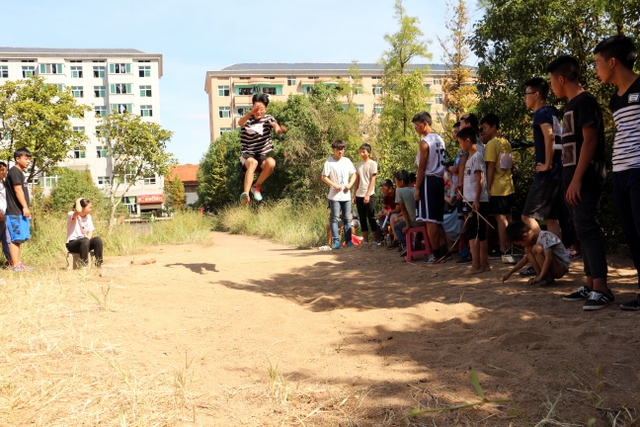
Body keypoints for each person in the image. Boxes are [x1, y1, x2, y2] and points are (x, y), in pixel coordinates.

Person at [547, 55, 612, 310]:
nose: (552, 86)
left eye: (552, 81)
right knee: (580, 229)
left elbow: (590, 140)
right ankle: (590, 283)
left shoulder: (585, 101)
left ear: (561, 79)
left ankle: (602, 288)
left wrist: (577, 179)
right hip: (571, 178)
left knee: (588, 228)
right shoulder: (571, 105)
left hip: (584, 178)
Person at [594, 35, 640, 311]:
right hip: (620, 173)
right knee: (632, 234)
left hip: (638, 171)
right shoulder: (615, 99)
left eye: (597, 63)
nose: (596, 69)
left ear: (612, 62)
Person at [521, 77, 563, 242]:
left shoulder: (541, 113)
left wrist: (547, 164)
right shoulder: (551, 112)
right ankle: (557, 255)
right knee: (551, 219)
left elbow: (550, 137)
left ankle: (544, 250)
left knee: (527, 216)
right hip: (557, 172)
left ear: (536, 95)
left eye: (527, 94)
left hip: (547, 174)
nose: (525, 98)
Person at [237, 93, 287, 205]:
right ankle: (246, 194)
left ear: (265, 109)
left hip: (260, 155)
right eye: (256, 108)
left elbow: (274, 125)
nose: (258, 111)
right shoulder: (247, 119)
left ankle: (256, 186)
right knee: (253, 163)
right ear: (252, 107)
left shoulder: (268, 118)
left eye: (261, 109)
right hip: (246, 155)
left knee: (271, 162)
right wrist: (250, 113)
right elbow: (240, 123)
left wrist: (279, 129)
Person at [412, 111, 448, 262]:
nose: (415, 128)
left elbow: (422, 168)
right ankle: (444, 250)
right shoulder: (440, 139)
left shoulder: (425, 142)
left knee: (429, 220)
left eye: (417, 125)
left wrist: (417, 188)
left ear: (425, 123)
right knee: (437, 219)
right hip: (439, 180)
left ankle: (436, 254)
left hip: (428, 180)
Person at [457, 127, 490, 275]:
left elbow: (479, 180)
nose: (460, 146)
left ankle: (476, 265)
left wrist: (476, 200)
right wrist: (462, 190)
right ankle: (484, 264)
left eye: (460, 142)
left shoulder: (476, 157)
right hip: (471, 199)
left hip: (476, 201)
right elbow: (471, 180)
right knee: (479, 232)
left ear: (468, 141)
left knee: (473, 232)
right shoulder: (471, 158)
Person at [481, 114, 515, 257]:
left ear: (494, 127)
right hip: (508, 184)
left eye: (485, 128)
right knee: (507, 216)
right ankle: (511, 245)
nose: (483, 131)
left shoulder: (491, 144)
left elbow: (491, 166)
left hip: (497, 187)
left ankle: (503, 248)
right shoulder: (505, 142)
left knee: (500, 217)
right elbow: (509, 164)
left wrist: (488, 187)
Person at [502, 221, 569, 286]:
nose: (522, 245)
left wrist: (540, 277)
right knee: (528, 249)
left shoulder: (545, 236)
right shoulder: (532, 241)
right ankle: (541, 276)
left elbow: (549, 259)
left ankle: (547, 278)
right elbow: (525, 260)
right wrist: (510, 272)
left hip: (560, 267)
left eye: (520, 244)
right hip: (553, 267)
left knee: (537, 248)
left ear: (525, 236)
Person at [321, 140, 356, 250]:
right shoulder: (329, 162)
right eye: (338, 149)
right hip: (335, 196)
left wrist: (350, 184)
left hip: (346, 195)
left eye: (342, 149)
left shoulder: (347, 161)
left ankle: (348, 241)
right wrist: (334, 185)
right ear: (333, 150)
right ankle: (336, 241)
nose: (340, 151)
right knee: (334, 218)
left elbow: (354, 174)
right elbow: (324, 177)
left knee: (347, 218)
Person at [5, 147, 33, 271]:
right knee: (16, 238)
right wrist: (25, 207)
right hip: (14, 212)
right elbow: (18, 190)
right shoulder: (14, 172)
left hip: (20, 212)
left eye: (29, 159)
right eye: (26, 159)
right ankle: (15, 265)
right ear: (17, 159)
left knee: (20, 238)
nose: (28, 161)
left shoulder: (20, 172)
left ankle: (19, 263)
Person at [353, 143, 379, 247]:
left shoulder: (373, 164)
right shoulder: (358, 165)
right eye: (360, 152)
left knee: (371, 217)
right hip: (359, 194)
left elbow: (373, 179)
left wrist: (368, 194)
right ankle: (366, 241)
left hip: (369, 194)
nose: (362, 154)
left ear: (369, 153)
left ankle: (375, 240)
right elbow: (357, 180)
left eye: (364, 152)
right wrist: (354, 194)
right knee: (362, 218)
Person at [66, 198, 104, 267]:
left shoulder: (88, 217)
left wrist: (87, 243)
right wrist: (77, 200)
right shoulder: (71, 214)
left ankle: (99, 263)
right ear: (82, 208)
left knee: (97, 240)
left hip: (84, 243)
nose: (91, 209)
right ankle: (84, 264)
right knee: (84, 240)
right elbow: (78, 211)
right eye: (89, 207)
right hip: (72, 244)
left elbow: (91, 230)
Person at [393, 170, 420, 258]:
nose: (396, 184)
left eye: (396, 181)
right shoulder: (415, 189)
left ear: (401, 182)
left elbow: (403, 209)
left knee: (397, 227)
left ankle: (407, 245)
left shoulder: (399, 191)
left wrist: (408, 225)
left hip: (413, 222)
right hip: (423, 220)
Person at [0, 162, 11, 264]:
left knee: (7, 238)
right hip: (1, 215)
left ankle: (11, 260)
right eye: (2, 170)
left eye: (5, 170)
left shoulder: (2, 183)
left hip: (5, 215)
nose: (4, 172)